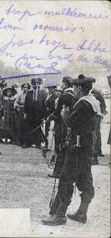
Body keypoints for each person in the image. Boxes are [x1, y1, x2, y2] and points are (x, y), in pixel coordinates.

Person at [42, 75, 101, 226]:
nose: (73, 90)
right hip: (87, 147)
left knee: (66, 179)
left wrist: (64, 115)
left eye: (75, 88)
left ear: (79, 88)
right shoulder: (94, 101)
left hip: (77, 146)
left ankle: (60, 215)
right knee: (84, 178)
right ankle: (82, 212)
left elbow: (72, 123)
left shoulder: (83, 104)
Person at [47, 76, 76, 178]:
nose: (62, 85)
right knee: (67, 148)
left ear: (65, 84)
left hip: (61, 125)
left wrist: (50, 117)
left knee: (59, 147)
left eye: (62, 83)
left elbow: (57, 112)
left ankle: (58, 172)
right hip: (71, 125)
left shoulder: (64, 96)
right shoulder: (75, 95)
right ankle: (66, 172)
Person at [23, 78, 47, 148]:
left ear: (39, 84)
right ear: (32, 85)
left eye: (37, 84)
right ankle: (27, 143)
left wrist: (43, 116)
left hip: (39, 114)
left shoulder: (43, 93)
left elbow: (44, 105)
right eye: (34, 84)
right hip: (30, 113)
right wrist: (25, 113)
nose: (35, 85)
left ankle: (38, 143)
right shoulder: (29, 93)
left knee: (38, 128)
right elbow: (26, 104)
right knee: (28, 127)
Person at [91, 82, 107, 164]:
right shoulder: (87, 92)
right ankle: (96, 152)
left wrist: (101, 115)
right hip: (91, 117)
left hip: (96, 116)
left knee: (96, 134)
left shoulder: (96, 92)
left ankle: (96, 154)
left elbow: (103, 105)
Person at [44, 81, 59, 151]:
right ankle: (46, 145)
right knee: (46, 130)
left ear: (54, 89)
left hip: (52, 116)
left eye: (51, 88)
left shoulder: (56, 96)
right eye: (49, 88)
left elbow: (55, 108)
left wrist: (49, 109)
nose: (50, 89)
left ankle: (50, 146)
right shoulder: (47, 95)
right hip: (46, 115)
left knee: (51, 131)